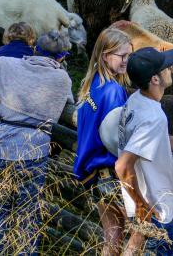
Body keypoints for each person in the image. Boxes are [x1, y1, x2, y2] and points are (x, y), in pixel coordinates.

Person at [0, 31, 73, 256]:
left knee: (0, 206)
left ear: (35, 49)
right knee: (27, 212)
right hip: (33, 149)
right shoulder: (61, 78)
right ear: (61, 57)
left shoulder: (5, 64)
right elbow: (69, 102)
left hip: (0, 144)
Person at [115, 47, 173, 256]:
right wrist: (141, 206)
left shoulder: (136, 101)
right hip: (158, 210)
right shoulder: (153, 117)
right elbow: (122, 165)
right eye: (166, 67)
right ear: (155, 79)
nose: (170, 68)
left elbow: (159, 143)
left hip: (154, 204)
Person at [73, 28, 133, 256]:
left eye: (128, 55)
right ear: (105, 55)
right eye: (121, 56)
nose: (126, 61)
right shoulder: (113, 91)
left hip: (91, 171)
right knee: (139, 230)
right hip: (108, 171)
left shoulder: (91, 84)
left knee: (112, 234)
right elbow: (116, 137)